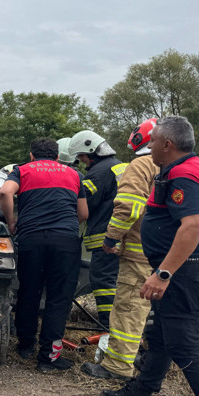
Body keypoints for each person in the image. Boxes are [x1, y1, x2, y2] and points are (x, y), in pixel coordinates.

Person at [101, 116, 199, 396]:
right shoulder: (196, 167)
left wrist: (164, 273)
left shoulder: (185, 174)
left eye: (154, 141)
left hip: (183, 273)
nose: (150, 147)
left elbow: (193, 226)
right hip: (188, 269)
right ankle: (140, 394)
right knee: (160, 336)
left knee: (184, 343)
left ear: (167, 145)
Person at [0, 138, 88, 372]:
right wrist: (65, 225)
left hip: (32, 239)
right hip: (66, 242)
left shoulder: (22, 170)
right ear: (57, 157)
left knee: (29, 290)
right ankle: (48, 358)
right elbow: (84, 213)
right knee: (59, 298)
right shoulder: (74, 174)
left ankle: (25, 345)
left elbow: (5, 193)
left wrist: (11, 223)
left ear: (31, 156)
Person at [80, 118, 160, 380]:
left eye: (82, 157)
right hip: (168, 255)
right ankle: (151, 362)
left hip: (138, 251)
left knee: (127, 307)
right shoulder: (179, 167)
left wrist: (111, 240)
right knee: (157, 311)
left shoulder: (141, 166)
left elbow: (126, 208)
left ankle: (117, 365)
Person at [68, 130, 126, 327]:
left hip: (106, 236)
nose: (82, 162)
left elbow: (85, 204)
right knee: (121, 282)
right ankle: (122, 323)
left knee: (103, 282)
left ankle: (108, 326)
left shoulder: (98, 173)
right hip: (126, 234)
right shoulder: (120, 166)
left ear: (91, 151)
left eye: (82, 157)